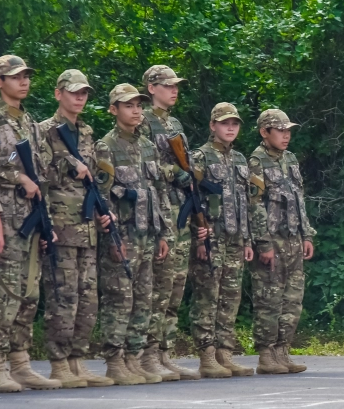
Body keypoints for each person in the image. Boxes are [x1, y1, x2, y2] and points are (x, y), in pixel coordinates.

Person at [0, 55, 60, 392]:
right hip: (7, 219)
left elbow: (42, 177)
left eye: (26, 76)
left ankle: (21, 361)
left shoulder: (31, 124)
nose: (23, 82)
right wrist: (18, 178)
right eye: (15, 77)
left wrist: (47, 221)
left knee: (29, 291)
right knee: (6, 292)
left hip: (31, 217)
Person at [37, 70, 112, 388]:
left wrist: (101, 212)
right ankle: (58, 363)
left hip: (86, 228)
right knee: (63, 296)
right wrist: (68, 164)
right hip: (61, 226)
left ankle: (77, 360)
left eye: (84, 93)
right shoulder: (44, 131)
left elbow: (93, 179)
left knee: (87, 299)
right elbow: (40, 176)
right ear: (59, 94)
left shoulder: (86, 132)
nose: (80, 97)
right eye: (74, 92)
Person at [94, 84, 173, 384]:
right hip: (123, 235)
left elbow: (159, 191)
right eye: (128, 105)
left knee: (143, 299)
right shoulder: (106, 146)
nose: (136, 110)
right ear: (114, 110)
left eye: (139, 104)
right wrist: (113, 237)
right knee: (119, 298)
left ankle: (134, 357)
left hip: (148, 234)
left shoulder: (148, 146)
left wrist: (164, 233)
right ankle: (115, 360)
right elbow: (103, 196)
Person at [139, 65, 199, 380]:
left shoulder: (174, 123)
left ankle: (165, 352)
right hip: (156, 209)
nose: (174, 90)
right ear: (151, 87)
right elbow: (145, 165)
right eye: (167, 85)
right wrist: (177, 174)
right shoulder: (143, 121)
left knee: (176, 285)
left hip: (179, 210)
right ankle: (147, 354)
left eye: (176, 86)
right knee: (158, 286)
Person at [187, 102, 255, 378]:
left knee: (230, 296)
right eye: (225, 122)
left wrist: (248, 240)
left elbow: (246, 202)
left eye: (235, 123)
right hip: (211, 237)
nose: (230, 127)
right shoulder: (200, 157)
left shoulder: (239, 159)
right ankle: (206, 355)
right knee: (207, 296)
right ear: (213, 125)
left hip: (235, 237)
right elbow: (190, 199)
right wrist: (198, 235)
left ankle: (224, 353)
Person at [248, 108, 316, 374]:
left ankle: (282, 351)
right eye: (281, 130)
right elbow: (254, 205)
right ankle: (266, 355)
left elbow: (299, 200)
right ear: (265, 132)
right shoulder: (256, 161)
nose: (286, 136)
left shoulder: (290, 159)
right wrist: (263, 243)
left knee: (292, 298)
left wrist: (306, 234)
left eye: (288, 131)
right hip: (272, 238)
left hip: (293, 238)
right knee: (269, 298)